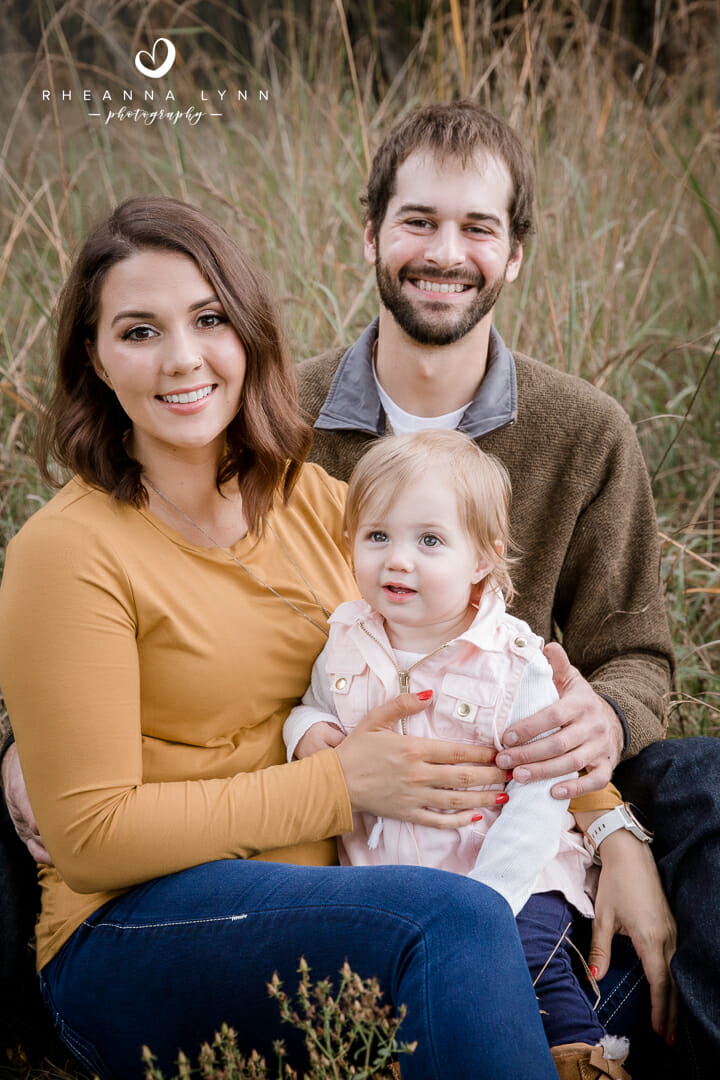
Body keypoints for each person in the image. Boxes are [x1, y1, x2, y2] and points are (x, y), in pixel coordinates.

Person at [0, 195, 565, 1080]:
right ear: (95, 359)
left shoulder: (318, 504)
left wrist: (608, 819)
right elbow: (92, 835)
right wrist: (336, 786)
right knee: (456, 918)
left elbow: (485, 655)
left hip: (342, 905)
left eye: (209, 319)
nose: (183, 358)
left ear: (250, 333)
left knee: (583, 940)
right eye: (140, 331)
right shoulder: (68, 551)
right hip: (131, 927)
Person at [295, 101, 720, 1077]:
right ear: (370, 233)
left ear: (515, 254)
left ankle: (654, 1042)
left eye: (478, 228)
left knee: (707, 783)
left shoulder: (586, 430)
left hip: (533, 792)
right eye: (418, 221)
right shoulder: (285, 416)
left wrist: (604, 745)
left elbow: (634, 652)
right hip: (353, 801)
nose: (446, 253)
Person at [284, 428, 676, 1078]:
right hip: (389, 881)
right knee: (397, 997)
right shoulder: (345, 640)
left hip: (509, 878)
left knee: (529, 971)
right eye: (377, 536)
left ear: (483, 560)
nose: (397, 561)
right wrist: (307, 734)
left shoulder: (512, 661)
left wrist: (490, 899)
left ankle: (578, 1058)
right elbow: (315, 705)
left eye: (429, 541)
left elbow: (541, 793)